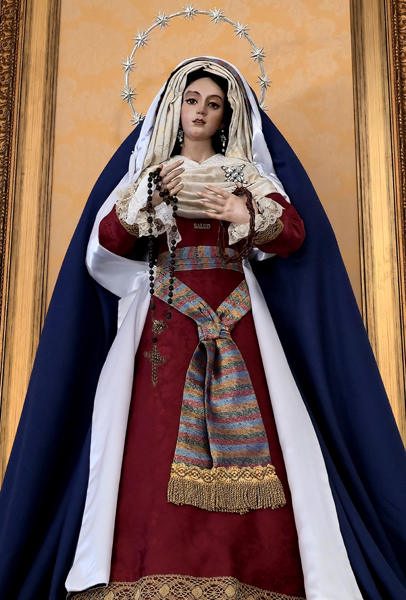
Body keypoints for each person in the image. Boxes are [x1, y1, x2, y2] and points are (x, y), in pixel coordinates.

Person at [0, 57, 406, 600]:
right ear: (176, 108)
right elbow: (110, 240)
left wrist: (244, 214)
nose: (200, 112)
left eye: (213, 105)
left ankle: (251, 573)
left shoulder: (243, 176)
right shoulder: (151, 174)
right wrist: (147, 202)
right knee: (151, 442)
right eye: (192, 101)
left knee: (260, 434)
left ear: (224, 116)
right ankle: (148, 571)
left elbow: (292, 234)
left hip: (238, 317)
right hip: (165, 322)